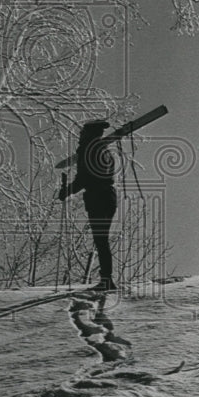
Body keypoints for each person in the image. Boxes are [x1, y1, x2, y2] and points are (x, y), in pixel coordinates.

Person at [58, 119, 118, 291]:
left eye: (83, 133)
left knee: (101, 240)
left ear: (89, 134)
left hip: (98, 197)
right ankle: (107, 279)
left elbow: (84, 178)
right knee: (102, 239)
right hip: (108, 197)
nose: (80, 136)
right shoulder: (102, 150)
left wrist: (67, 191)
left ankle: (107, 280)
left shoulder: (89, 150)